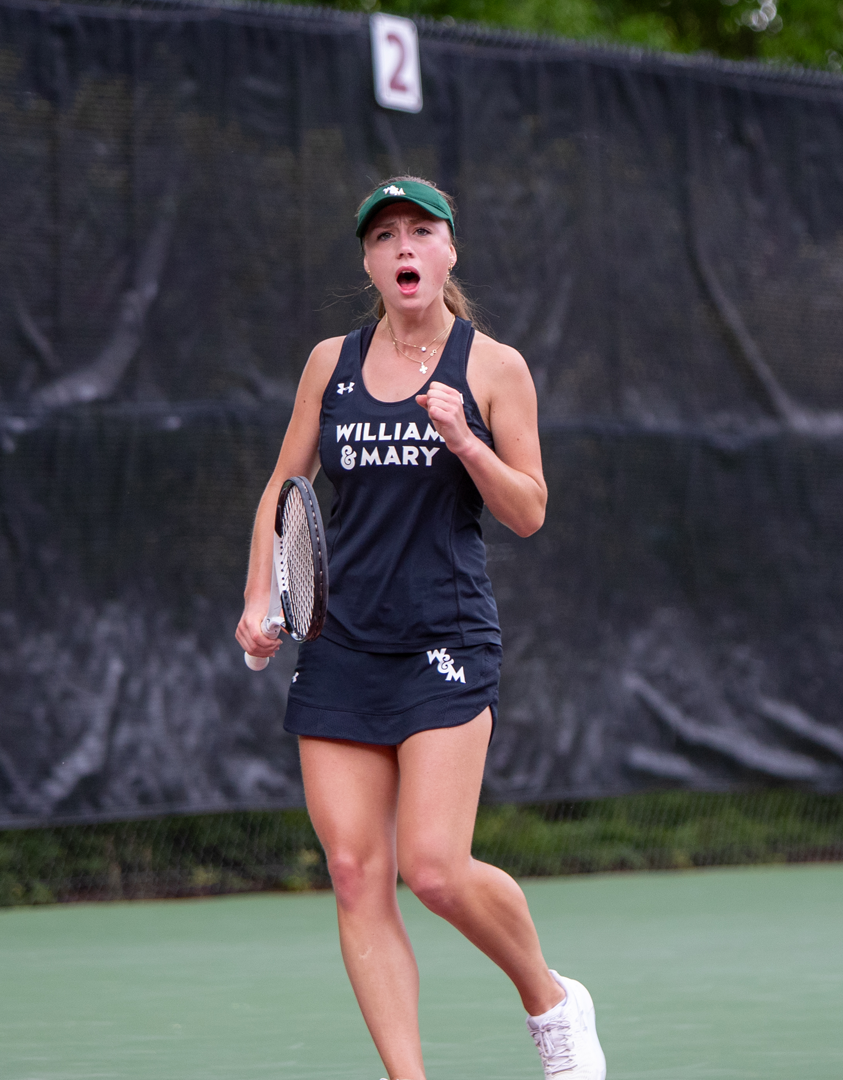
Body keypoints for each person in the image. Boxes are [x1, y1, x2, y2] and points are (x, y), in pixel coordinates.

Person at [236, 176, 606, 1080]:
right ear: (369, 261)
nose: (403, 247)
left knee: (434, 869)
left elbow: (529, 511)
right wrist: (261, 598)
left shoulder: (493, 367)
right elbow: (285, 491)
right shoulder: (332, 362)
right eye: (384, 236)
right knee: (358, 874)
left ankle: (553, 1005)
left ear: (448, 252)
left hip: (445, 641)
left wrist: (467, 440)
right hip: (340, 646)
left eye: (420, 232)